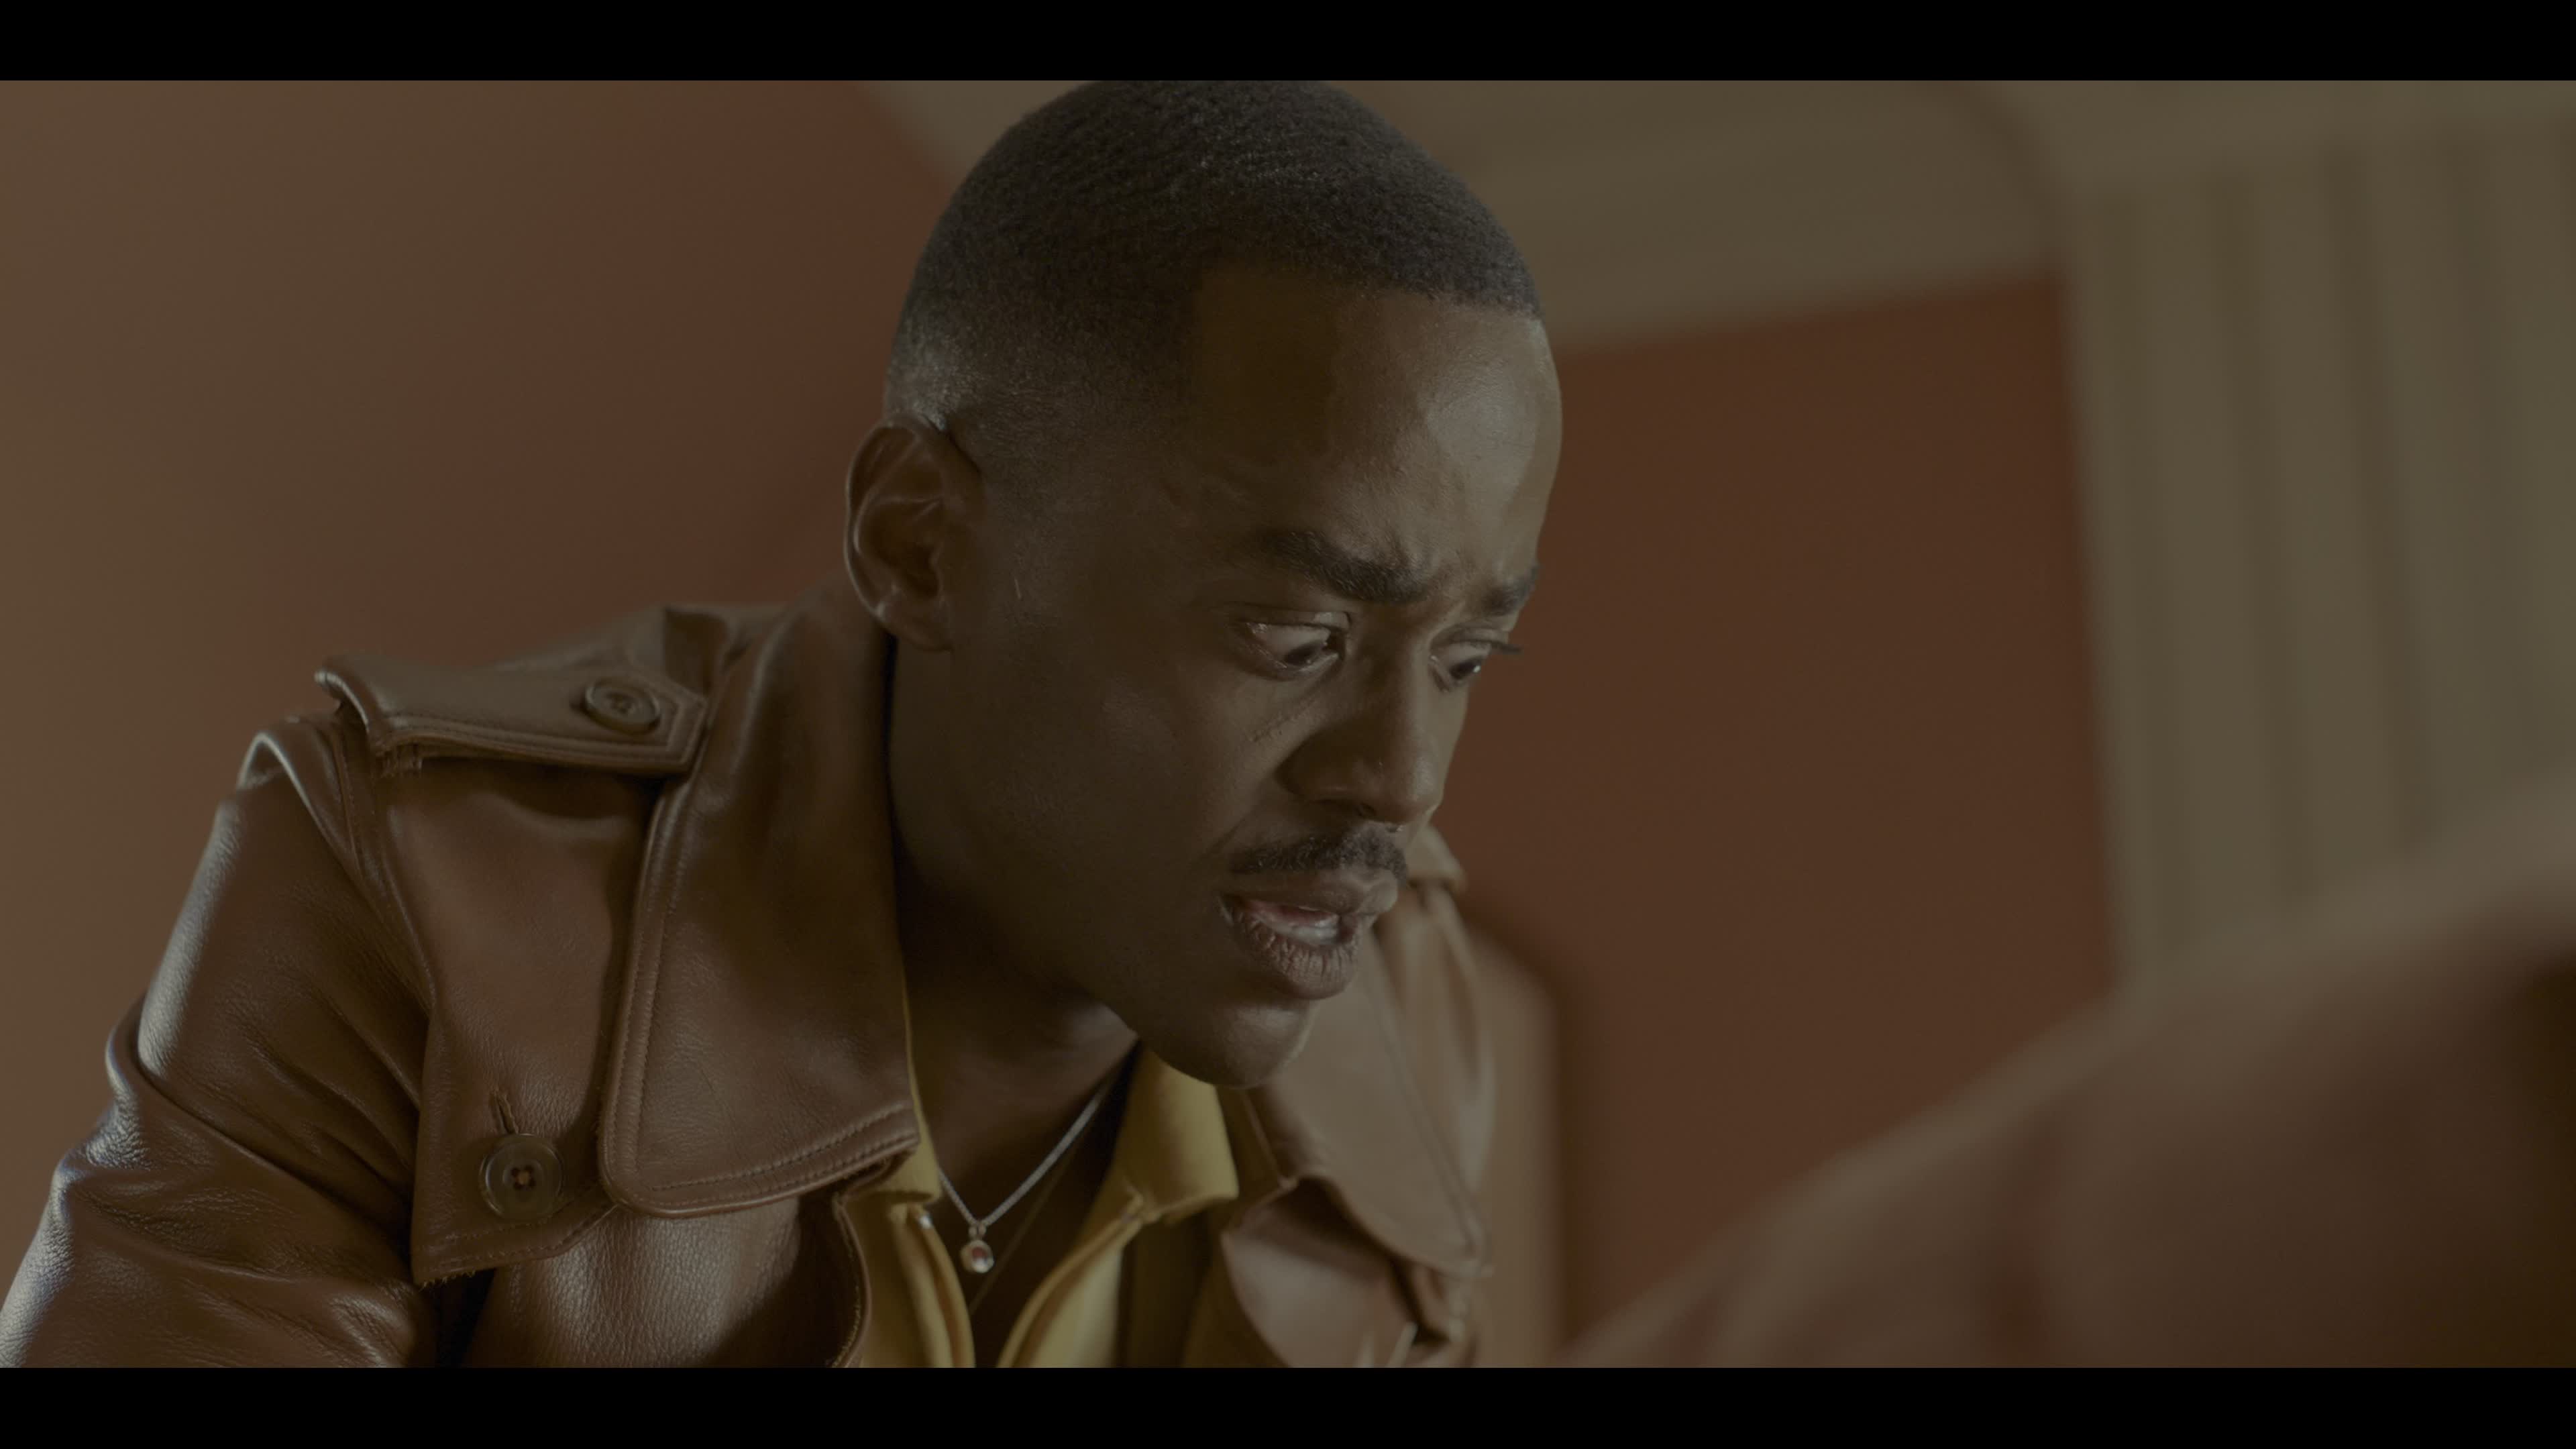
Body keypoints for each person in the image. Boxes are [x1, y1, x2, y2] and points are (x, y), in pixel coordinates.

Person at [0, 80, 1559, 1367]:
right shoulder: (421, 887)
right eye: (1298, 637)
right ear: (921, 546)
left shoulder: (1405, 988)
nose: (1401, 779)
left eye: (1469, 657)